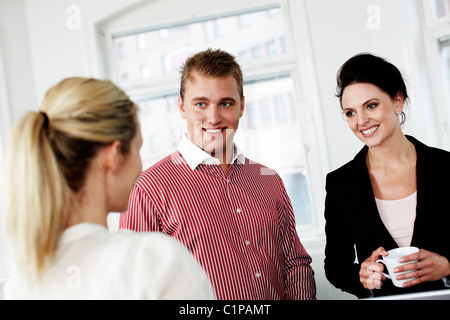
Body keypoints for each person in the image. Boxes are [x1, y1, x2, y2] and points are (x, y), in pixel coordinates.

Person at [119, 48, 316, 300]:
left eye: (225, 103)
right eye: (201, 104)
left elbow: (295, 263)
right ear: (181, 107)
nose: (213, 118)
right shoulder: (148, 189)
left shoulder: (269, 179)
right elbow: (136, 285)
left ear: (241, 106)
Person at [2, 77, 214, 300]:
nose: (140, 166)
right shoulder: (153, 263)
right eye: (137, 149)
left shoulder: (21, 283)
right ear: (113, 157)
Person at [324, 53, 450, 298]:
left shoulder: (446, 167)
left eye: (371, 106)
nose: (361, 121)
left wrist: (448, 266)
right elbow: (336, 268)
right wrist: (363, 276)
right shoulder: (341, 183)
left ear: (397, 102)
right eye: (350, 113)